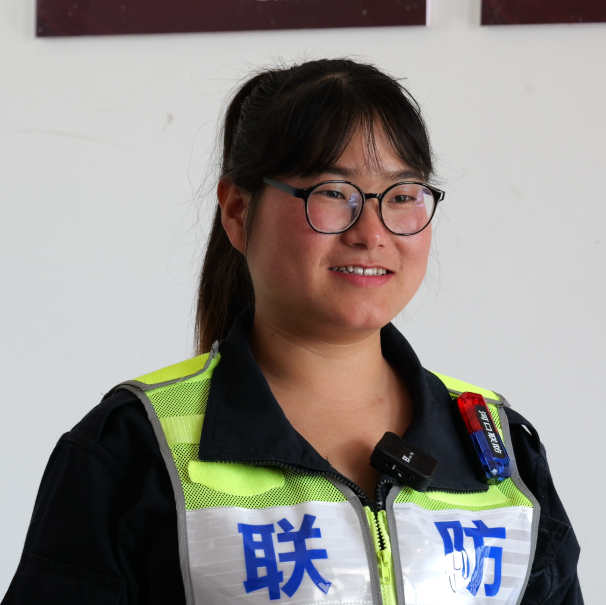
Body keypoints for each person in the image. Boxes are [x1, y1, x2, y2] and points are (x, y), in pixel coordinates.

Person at [2, 58, 582, 605]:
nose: (371, 232)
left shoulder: (497, 446)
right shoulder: (133, 446)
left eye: (403, 196)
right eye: (333, 193)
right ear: (238, 212)